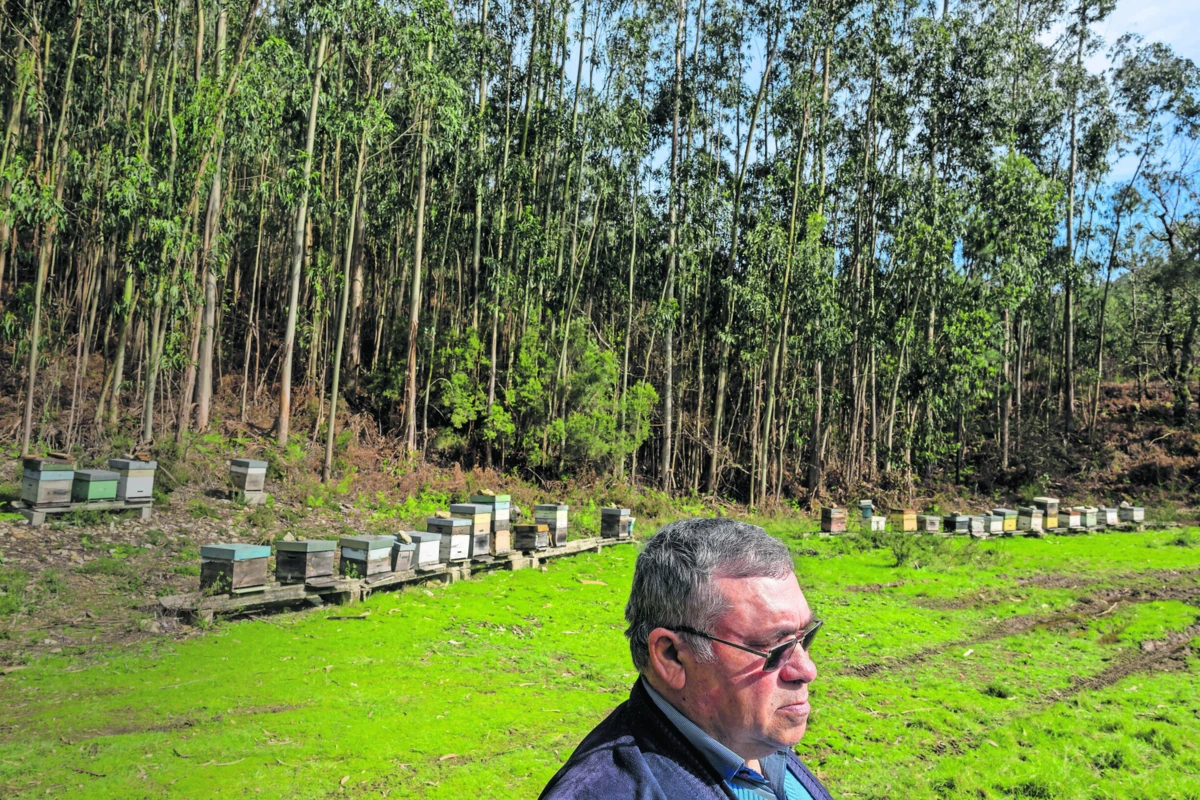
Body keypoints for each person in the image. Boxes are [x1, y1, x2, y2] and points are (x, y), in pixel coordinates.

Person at [540, 518, 833, 800]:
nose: (807, 670)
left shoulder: (750, 738)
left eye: (804, 637)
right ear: (671, 657)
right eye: (774, 648)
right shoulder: (605, 791)